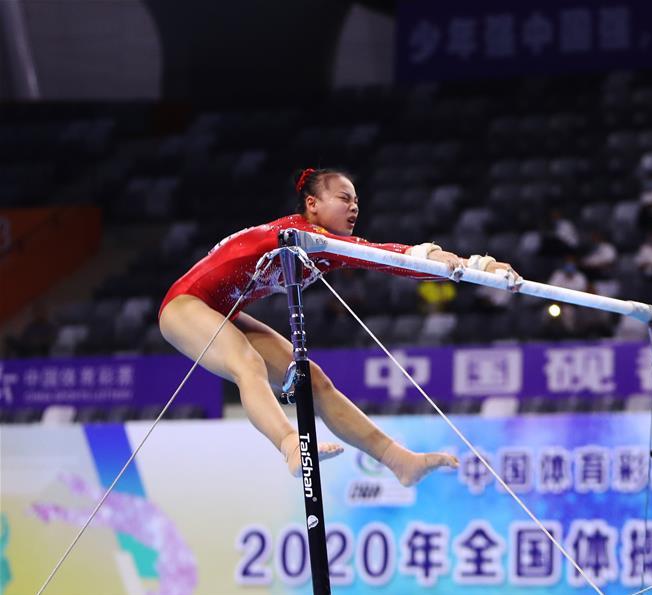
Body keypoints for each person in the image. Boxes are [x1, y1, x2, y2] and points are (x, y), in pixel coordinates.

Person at [158, 168, 518, 485]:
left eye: (357, 201)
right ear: (312, 204)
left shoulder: (325, 248)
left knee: (312, 379)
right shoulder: (295, 234)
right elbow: (394, 255)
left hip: (223, 310)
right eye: (344, 198)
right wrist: (476, 267)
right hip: (184, 305)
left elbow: (391, 259)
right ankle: (290, 444)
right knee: (246, 362)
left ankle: (398, 461)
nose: (354, 207)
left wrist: (476, 268)